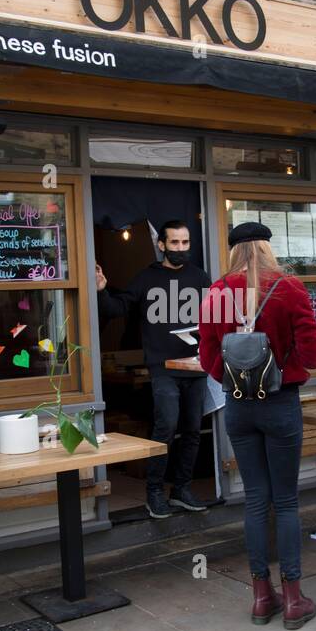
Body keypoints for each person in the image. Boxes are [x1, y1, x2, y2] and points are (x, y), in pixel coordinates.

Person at [198, 222, 316, 629]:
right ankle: (292, 598)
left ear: (234, 250)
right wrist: (284, 367)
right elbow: (312, 353)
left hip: (238, 407)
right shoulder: (289, 288)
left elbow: (207, 359)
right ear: (268, 247)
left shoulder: (218, 292)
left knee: (255, 500)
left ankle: (259, 596)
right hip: (280, 403)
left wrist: (234, 377)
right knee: (285, 502)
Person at [97, 220, 211, 519]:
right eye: (174, 243)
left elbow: (214, 318)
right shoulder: (146, 277)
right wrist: (102, 290)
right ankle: (154, 493)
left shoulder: (200, 277)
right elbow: (117, 309)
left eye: (185, 243)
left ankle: (182, 490)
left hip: (196, 366)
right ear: (161, 245)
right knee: (166, 427)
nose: (180, 249)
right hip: (162, 367)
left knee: (192, 431)